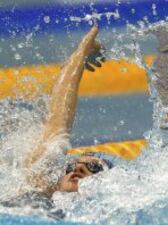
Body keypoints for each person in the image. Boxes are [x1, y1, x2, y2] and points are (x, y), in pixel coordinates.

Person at [1, 26, 110, 219]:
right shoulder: (39, 183)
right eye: (71, 166)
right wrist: (80, 55)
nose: (77, 168)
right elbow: (59, 117)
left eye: (94, 168)